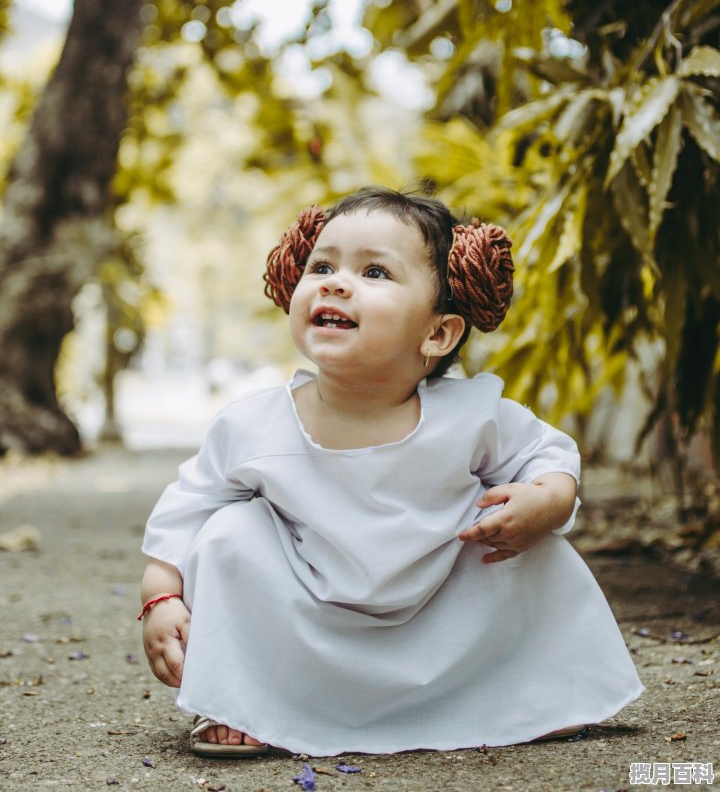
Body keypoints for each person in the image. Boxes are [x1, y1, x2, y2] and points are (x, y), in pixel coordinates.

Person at [140, 186, 643, 758]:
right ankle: (245, 698)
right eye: (322, 265)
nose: (334, 282)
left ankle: (536, 690)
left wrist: (546, 502)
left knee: (526, 537)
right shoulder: (252, 425)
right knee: (229, 532)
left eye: (375, 272)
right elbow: (189, 506)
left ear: (438, 333)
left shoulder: (471, 415)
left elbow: (549, 456)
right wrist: (162, 595)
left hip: (439, 615)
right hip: (308, 617)